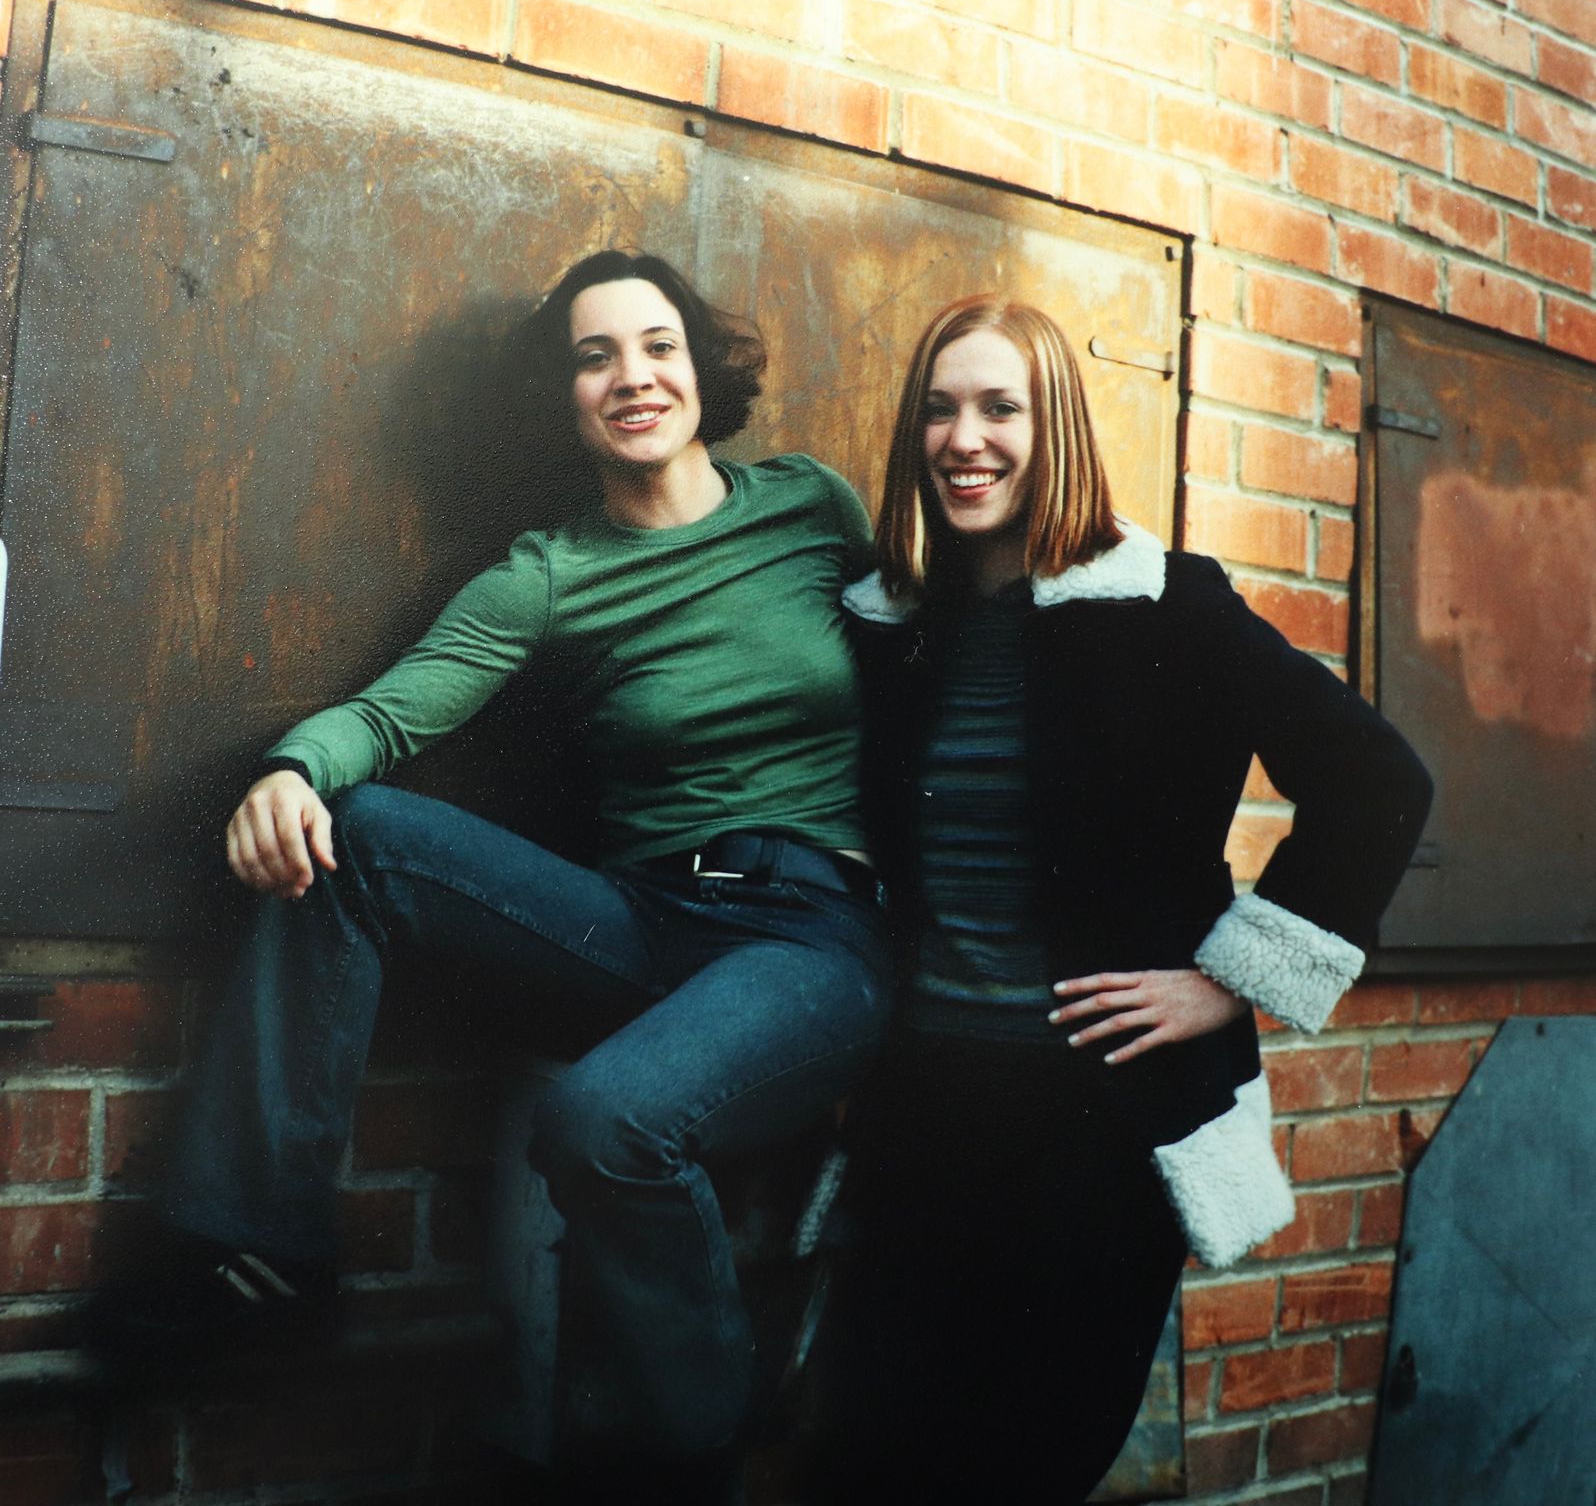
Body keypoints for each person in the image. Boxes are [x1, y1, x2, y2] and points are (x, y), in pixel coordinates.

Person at [101, 250, 893, 1504]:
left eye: (659, 345)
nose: (633, 376)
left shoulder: (810, 507)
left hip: (808, 940)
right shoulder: (549, 572)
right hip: (641, 921)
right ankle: (260, 1248)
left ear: (702, 368)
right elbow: (394, 710)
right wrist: (292, 771)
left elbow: (936, 669)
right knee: (358, 828)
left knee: (604, 1121)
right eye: (595, 356)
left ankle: (696, 1463)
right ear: (563, 396)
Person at [816, 296, 1431, 1504]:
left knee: (1024, 1468)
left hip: (1097, 1126)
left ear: (1055, 428)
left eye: (1001, 408)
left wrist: (1229, 981)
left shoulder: (1166, 605)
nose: (964, 439)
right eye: (939, 409)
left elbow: (1379, 780)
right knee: (872, 1462)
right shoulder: (888, 626)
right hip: (922, 1116)